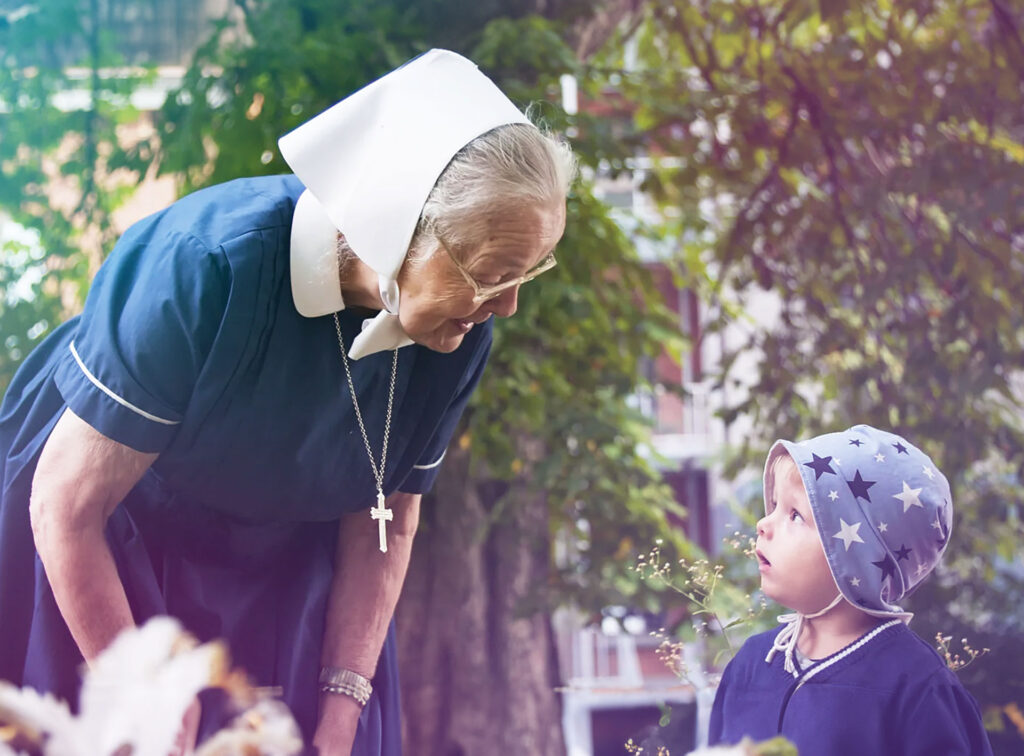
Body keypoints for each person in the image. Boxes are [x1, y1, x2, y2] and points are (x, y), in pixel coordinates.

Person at [0, 49, 576, 755]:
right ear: (397, 228)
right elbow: (64, 507)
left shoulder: (458, 328)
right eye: (493, 275)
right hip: (116, 540)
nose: (509, 305)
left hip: (296, 554)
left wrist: (343, 708)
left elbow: (386, 519)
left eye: (527, 274)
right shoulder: (201, 266)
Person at [708, 424, 993, 755]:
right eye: (772, 505)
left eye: (795, 514)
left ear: (856, 557)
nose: (763, 523)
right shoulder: (750, 665)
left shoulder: (919, 688)